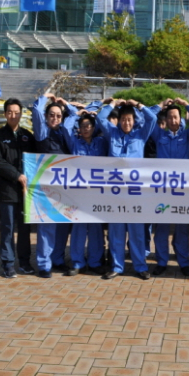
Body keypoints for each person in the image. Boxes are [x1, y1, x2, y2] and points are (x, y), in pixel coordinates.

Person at [97, 99, 157, 281]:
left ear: (134, 120)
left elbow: (152, 118)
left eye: (129, 119)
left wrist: (139, 105)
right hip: (115, 193)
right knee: (116, 231)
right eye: (123, 119)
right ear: (119, 120)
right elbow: (100, 118)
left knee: (137, 233)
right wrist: (113, 104)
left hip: (135, 193)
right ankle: (117, 266)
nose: (126, 123)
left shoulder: (141, 135)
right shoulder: (112, 133)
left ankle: (140, 266)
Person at [0, 98, 36, 278]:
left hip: (25, 191)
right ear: (5, 114)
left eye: (16, 112)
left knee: (24, 228)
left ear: (21, 114)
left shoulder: (27, 136)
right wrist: (16, 175)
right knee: (7, 227)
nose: (13, 116)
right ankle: (8, 264)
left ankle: (24, 262)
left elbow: (34, 160)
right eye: (10, 112)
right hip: (7, 190)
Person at [150, 101, 189, 277]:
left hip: (182, 191)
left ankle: (183, 262)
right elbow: (148, 118)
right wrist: (159, 106)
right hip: (163, 190)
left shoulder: (187, 135)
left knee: (182, 228)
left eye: (176, 117)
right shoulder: (159, 135)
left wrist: (187, 105)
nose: (173, 120)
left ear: (180, 118)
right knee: (162, 228)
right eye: (169, 117)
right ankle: (161, 261)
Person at [62, 110, 109, 276]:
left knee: (96, 229)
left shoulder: (101, 142)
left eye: (89, 125)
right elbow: (66, 128)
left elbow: (107, 128)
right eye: (83, 126)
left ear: (94, 127)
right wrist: (76, 114)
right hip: (79, 193)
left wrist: (97, 115)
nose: (86, 128)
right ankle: (77, 262)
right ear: (79, 129)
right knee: (78, 228)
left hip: (97, 193)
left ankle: (95, 262)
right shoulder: (75, 143)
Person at [31, 93, 72, 278]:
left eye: (58, 115)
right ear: (46, 117)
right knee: (47, 226)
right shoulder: (43, 132)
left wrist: (66, 104)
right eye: (52, 115)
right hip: (46, 188)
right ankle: (44, 264)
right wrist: (46, 96)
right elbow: (36, 111)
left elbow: (74, 117)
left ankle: (58, 260)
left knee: (63, 226)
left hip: (64, 187)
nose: (55, 118)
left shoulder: (64, 133)